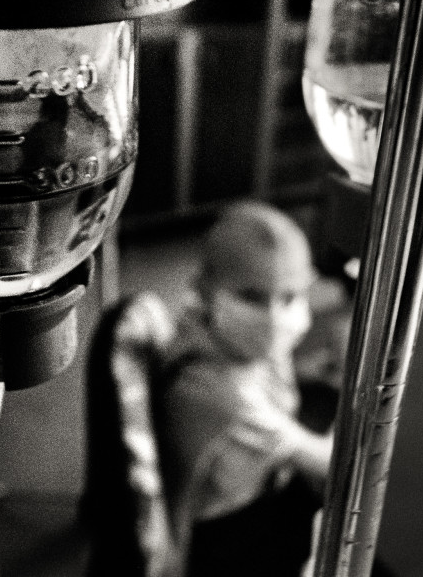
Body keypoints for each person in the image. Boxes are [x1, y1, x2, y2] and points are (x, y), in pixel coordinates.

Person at [154, 200, 333, 577]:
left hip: (258, 489)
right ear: (205, 289)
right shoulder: (221, 395)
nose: (273, 318)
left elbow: (262, 375)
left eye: (288, 297)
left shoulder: (204, 329)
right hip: (225, 537)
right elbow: (327, 461)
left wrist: (302, 371)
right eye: (251, 297)